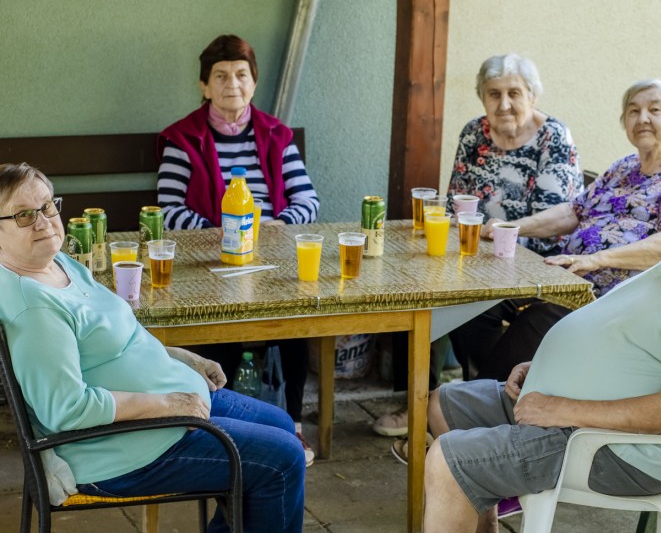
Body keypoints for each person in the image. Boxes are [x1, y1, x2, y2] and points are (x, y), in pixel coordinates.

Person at [423, 144, 661, 533]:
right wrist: (545, 369)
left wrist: (560, 407)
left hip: (619, 449)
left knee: (448, 459)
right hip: (566, 414)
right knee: (443, 404)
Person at [0, 163, 306, 533]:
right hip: (120, 449)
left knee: (282, 424)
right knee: (282, 460)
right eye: (23, 215)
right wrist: (167, 404)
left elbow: (111, 338)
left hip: (166, 409)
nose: (45, 222)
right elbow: (66, 409)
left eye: (48, 206)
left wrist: (176, 356)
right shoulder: (34, 309)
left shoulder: (58, 262)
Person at [374, 53, 583, 439]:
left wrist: (506, 228)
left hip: (539, 264)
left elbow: (560, 217)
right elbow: (457, 200)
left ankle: (443, 410)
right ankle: (459, 404)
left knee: (477, 303)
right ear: (482, 97)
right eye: (493, 94)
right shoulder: (475, 133)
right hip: (482, 258)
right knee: (447, 298)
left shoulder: (554, 136)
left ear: (532, 96)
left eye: (514, 93)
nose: (504, 104)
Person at [449, 78, 661, 383]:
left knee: (540, 318)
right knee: (476, 303)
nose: (642, 119)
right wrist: (513, 227)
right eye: (633, 111)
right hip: (566, 278)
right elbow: (573, 211)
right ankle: (488, 388)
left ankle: (481, 398)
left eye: (654, 110)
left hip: (613, 299)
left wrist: (598, 260)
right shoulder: (624, 167)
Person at [157, 34, 319, 465]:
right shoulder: (183, 139)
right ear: (204, 85)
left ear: (254, 82)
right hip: (209, 266)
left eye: (241, 75)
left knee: (296, 317)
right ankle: (230, 429)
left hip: (270, 257)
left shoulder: (276, 135)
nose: (233, 83)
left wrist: (271, 228)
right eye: (221, 76)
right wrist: (226, 232)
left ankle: (295, 425)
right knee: (220, 322)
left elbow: (308, 201)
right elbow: (169, 212)